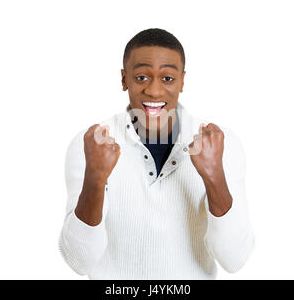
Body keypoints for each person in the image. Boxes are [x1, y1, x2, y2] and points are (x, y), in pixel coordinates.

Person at [58, 28, 255, 280]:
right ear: (124, 79)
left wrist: (214, 175)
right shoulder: (91, 143)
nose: (153, 91)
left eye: (168, 79)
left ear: (183, 81)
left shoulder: (219, 143)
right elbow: (79, 260)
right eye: (141, 77)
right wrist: (95, 179)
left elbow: (235, 259)